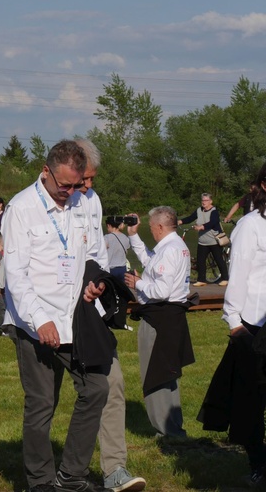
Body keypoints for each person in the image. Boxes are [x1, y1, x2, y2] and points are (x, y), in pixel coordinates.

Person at [2, 139, 110, 492]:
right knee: (42, 403)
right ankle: (41, 482)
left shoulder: (82, 202)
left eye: (76, 185)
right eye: (64, 185)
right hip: (34, 323)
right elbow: (15, 274)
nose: (70, 192)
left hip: (74, 318)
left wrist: (95, 283)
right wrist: (40, 318)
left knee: (96, 389)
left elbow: (94, 254)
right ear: (45, 171)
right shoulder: (21, 208)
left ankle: (71, 475)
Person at [76, 138, 145, 492]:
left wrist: (102, 288)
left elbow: (98, 256)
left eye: (92, 179)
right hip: (48, 314)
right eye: (83, 179)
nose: (88, 185)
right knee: (44, 400)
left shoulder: (93, 199)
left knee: (112, 383)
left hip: (91, 308)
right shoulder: (32, 205)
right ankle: (51, 475)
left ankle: (114, 469)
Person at [200, 163, 266, 485]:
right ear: (264, 185)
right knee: (252, 401)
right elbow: (237, 274)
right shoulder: (251, 225)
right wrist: (234, 321)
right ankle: (259, 464)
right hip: (253, 325)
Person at [124, 207, 194, 439]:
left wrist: (137, 283)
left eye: (152, 227)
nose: (151, 231)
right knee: (168, 371)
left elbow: (161, 291)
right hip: (170, 317)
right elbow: (150, 261)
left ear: (161, 227)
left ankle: (166, 430)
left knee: (156, 373)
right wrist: (133, 235)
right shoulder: (174, 246)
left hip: (160, 317)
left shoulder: (170, 250)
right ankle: (172, 426)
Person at [178, 193, 229, 287]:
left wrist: (201, 227)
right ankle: (201, 280)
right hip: (202, 241)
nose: (203, 202)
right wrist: (180, 221)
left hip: (214, 241)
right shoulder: (199, 210)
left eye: (206, 200)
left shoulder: (214, 211)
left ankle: (225, 278)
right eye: (202, 200)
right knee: (200, 261)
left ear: (210, 201)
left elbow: (213, 223)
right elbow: (190, 218)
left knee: (219, 260)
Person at [104, 216, 131, 285]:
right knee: (121, 288)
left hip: (111, 269)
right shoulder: (125, 237)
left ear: (109, 225)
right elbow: (127, 251)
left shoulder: (107, 237)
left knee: (110, 288)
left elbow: (102, 250)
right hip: (123, 268)